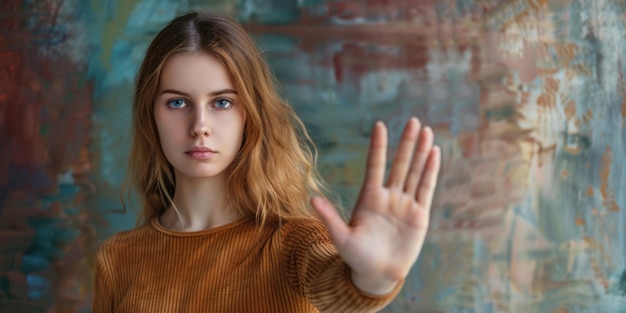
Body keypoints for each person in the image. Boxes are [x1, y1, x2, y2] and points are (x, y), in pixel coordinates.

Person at [93, 10, 441, 313]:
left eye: (222, 103)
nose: (200, 127)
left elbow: (341, 292)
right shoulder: (118, 259)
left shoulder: (296, 244)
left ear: (251, 114)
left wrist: (374, 279)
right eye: (177, 103)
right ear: (150, 114)